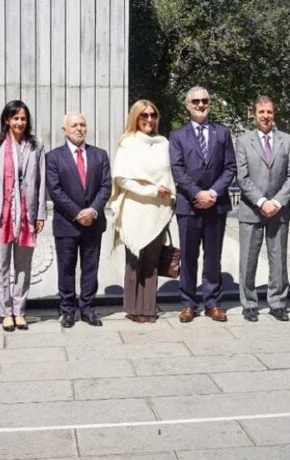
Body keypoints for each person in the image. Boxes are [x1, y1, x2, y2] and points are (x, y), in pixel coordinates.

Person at [170, 86, 237, 323]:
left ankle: (213, 303)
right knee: (188, 257)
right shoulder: (177, 136)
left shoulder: (222, 133)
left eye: (205, 101)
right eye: (195, 101)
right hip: (189, 206)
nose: (200, 105)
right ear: (187, 105)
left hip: (216, 206)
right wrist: (198, 194)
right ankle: (188, 303)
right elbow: (177, 170)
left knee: (213, 257)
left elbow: (230, 167)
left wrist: (213, 192)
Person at [0, 100, 46, 331]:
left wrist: (40, 213)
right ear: (7, 120)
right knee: (0, 265)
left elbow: (40, 182)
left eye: (23, 118)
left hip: (27, 214)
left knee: (23, 265)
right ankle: (6, 311)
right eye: (15, 118)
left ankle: (20, 310)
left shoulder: (36, 145)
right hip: (1, 213)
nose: (19, 122)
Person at [108, 100, 175, 323]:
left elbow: (169, 175)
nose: (149, 119)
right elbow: (123, 179)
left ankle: (148, 308)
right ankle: (133, 308)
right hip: (135, 210)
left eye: (153, 115)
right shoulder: (127, 143)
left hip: (158, 210)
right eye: (144, 115)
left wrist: (164, 194)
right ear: (135, 118)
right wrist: (152, 191)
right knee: (135, 260)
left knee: (153, 261)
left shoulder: (163, 142)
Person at [234, 96, 290, 322]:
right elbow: (242, 177)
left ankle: (278, 302)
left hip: (279, 211)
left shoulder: (287, 141)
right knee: (248, 259)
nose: (265, 116)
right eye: (261, 112)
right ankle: (249, 303)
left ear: (274, 114)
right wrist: (262, 201)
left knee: (278, 258)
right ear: (254, 114)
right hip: (252, 210)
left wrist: (277, 202)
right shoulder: (243, 141)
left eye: (269, 112)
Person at [45, 112, 112, 328]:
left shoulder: (99, 155)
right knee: (66, 268)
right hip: (67, 223)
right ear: (64, 129)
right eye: (74, 125)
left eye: (82, 124)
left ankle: (88, 309)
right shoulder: (53, 157)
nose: (79, 128)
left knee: (90, 266)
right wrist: (77, 213)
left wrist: (91, 211)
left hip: (93, 222)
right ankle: (67, 310)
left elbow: (106, 186)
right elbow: (54, 190)